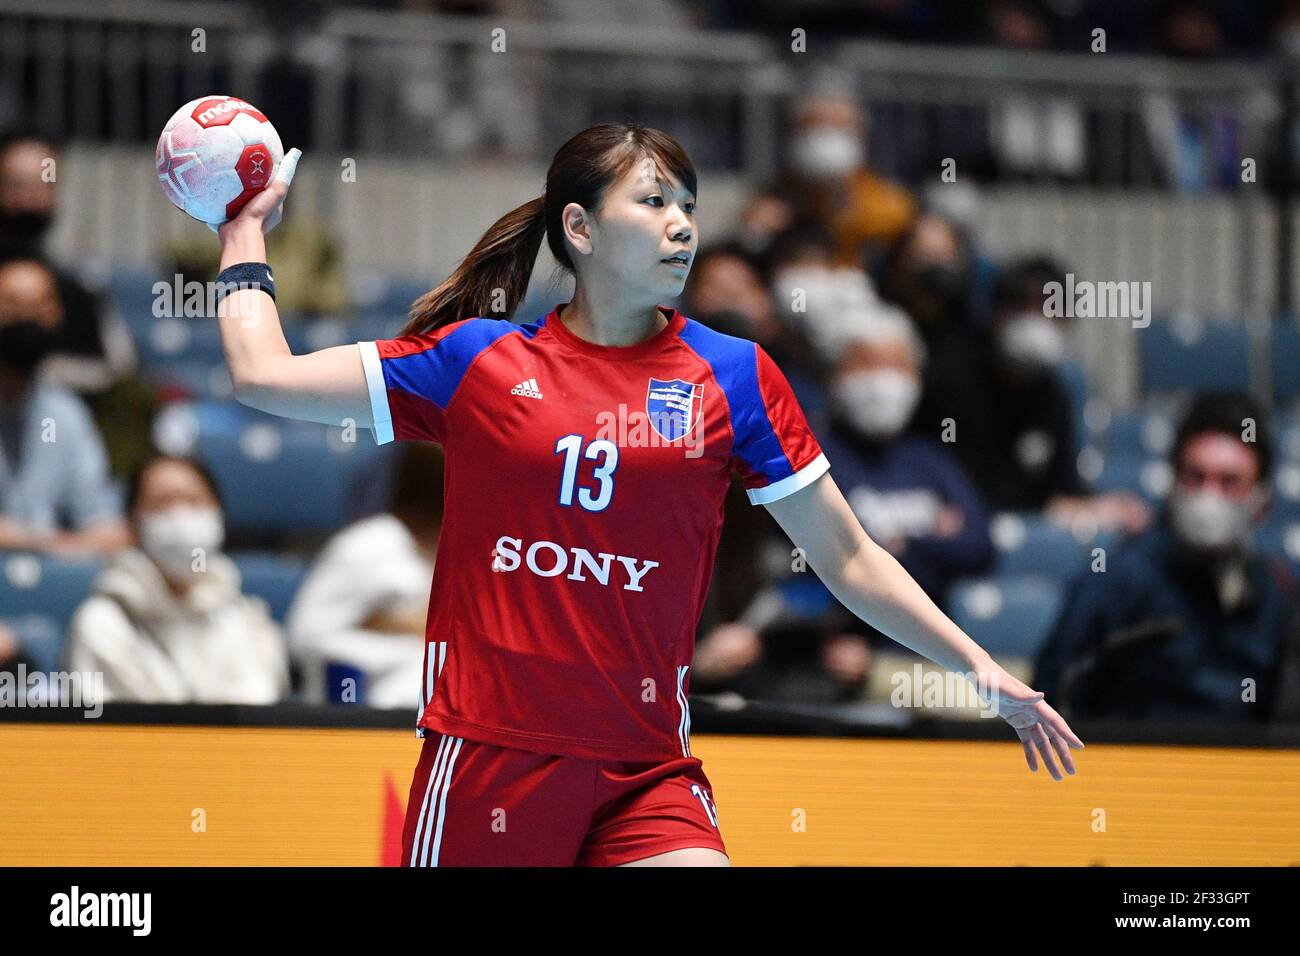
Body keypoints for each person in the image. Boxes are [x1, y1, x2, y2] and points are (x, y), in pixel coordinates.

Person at [208, 124, 1082, 868]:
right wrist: (243, 232)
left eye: (690, 207)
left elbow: (847, 554)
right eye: (655, 203)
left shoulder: (733, 376)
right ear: (580, 228)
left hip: (646, 770)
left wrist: (977, 667)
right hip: (490, 759)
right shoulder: (478, 361)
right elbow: (263, 374)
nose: (682, 227)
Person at [1033, 392, 1300, 723]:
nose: (1209, 496)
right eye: (1196, 477)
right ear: (1174, 481)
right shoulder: (1118, 578)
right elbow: (1053, 694)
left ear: (1262, 501)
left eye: (1229, 482)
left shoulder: (1277, 591)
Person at [64, 454, 288, 704]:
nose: (181, 516)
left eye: (194, 501)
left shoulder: (244, 621)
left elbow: (256, 712)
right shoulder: (102, 624)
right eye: (162, 503)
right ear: (132, 524)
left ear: (218, 514)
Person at [288, 442, 441, 708]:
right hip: (360, 715)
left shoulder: (487, 552)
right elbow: (306, 639)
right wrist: (408, 645)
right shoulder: (369, 545)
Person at [0, 259, 129, 554]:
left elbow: (105, 524)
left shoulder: (66, 414)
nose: (27, 318)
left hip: (49, 587)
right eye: (13, 305)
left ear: (56, 315)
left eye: (39, 306)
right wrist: (47, 543)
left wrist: (68, 543)